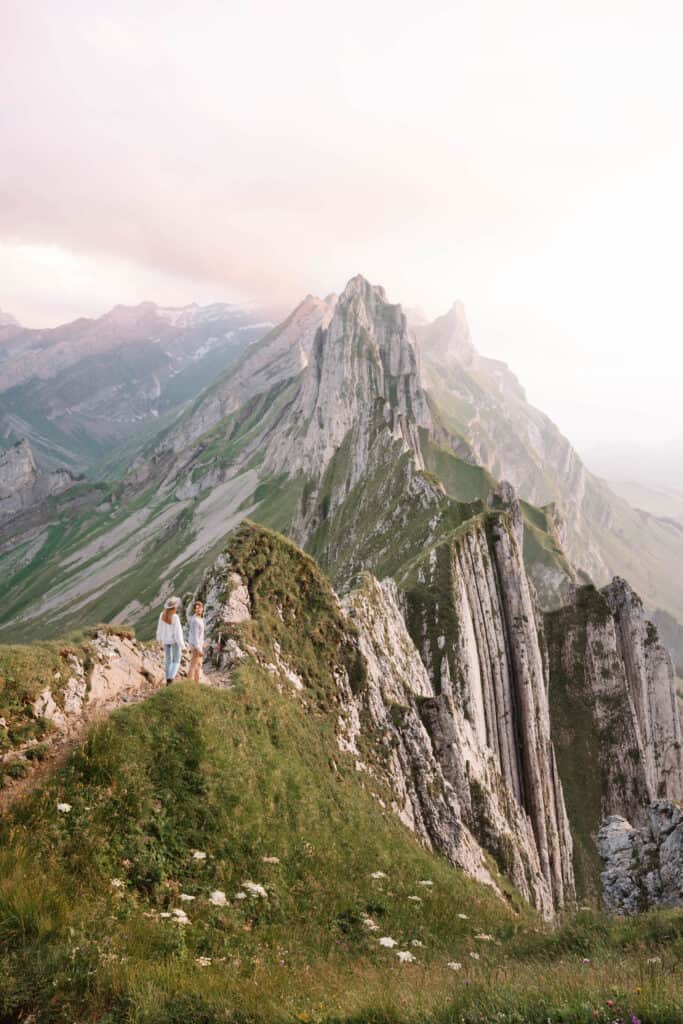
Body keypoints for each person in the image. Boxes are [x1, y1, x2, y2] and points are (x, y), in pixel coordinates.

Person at [156, 596, 184, 685]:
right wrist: (182, 645)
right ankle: (170, 678)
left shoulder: (162, 615)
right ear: (174, 607)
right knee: (176, 660)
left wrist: (159, 639)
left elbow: (159, 628)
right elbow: (178, 633)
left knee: (168, 660)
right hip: (174, 641)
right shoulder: (175, 617)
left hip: (165, 640)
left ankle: (167, 678)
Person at [187, 600, 205, 683]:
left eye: (200, 608)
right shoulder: (195, 621)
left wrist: (202, 644)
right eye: (196, 608)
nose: (198, 610)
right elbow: (194, 637)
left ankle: (196, 684)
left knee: (198, 665)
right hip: (195, 647)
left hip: (199, 645)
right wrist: (199, 648)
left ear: (202, 608)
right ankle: (189, 684)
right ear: (194, 610)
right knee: (193, 666)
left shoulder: (200, 619)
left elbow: (200, 635)